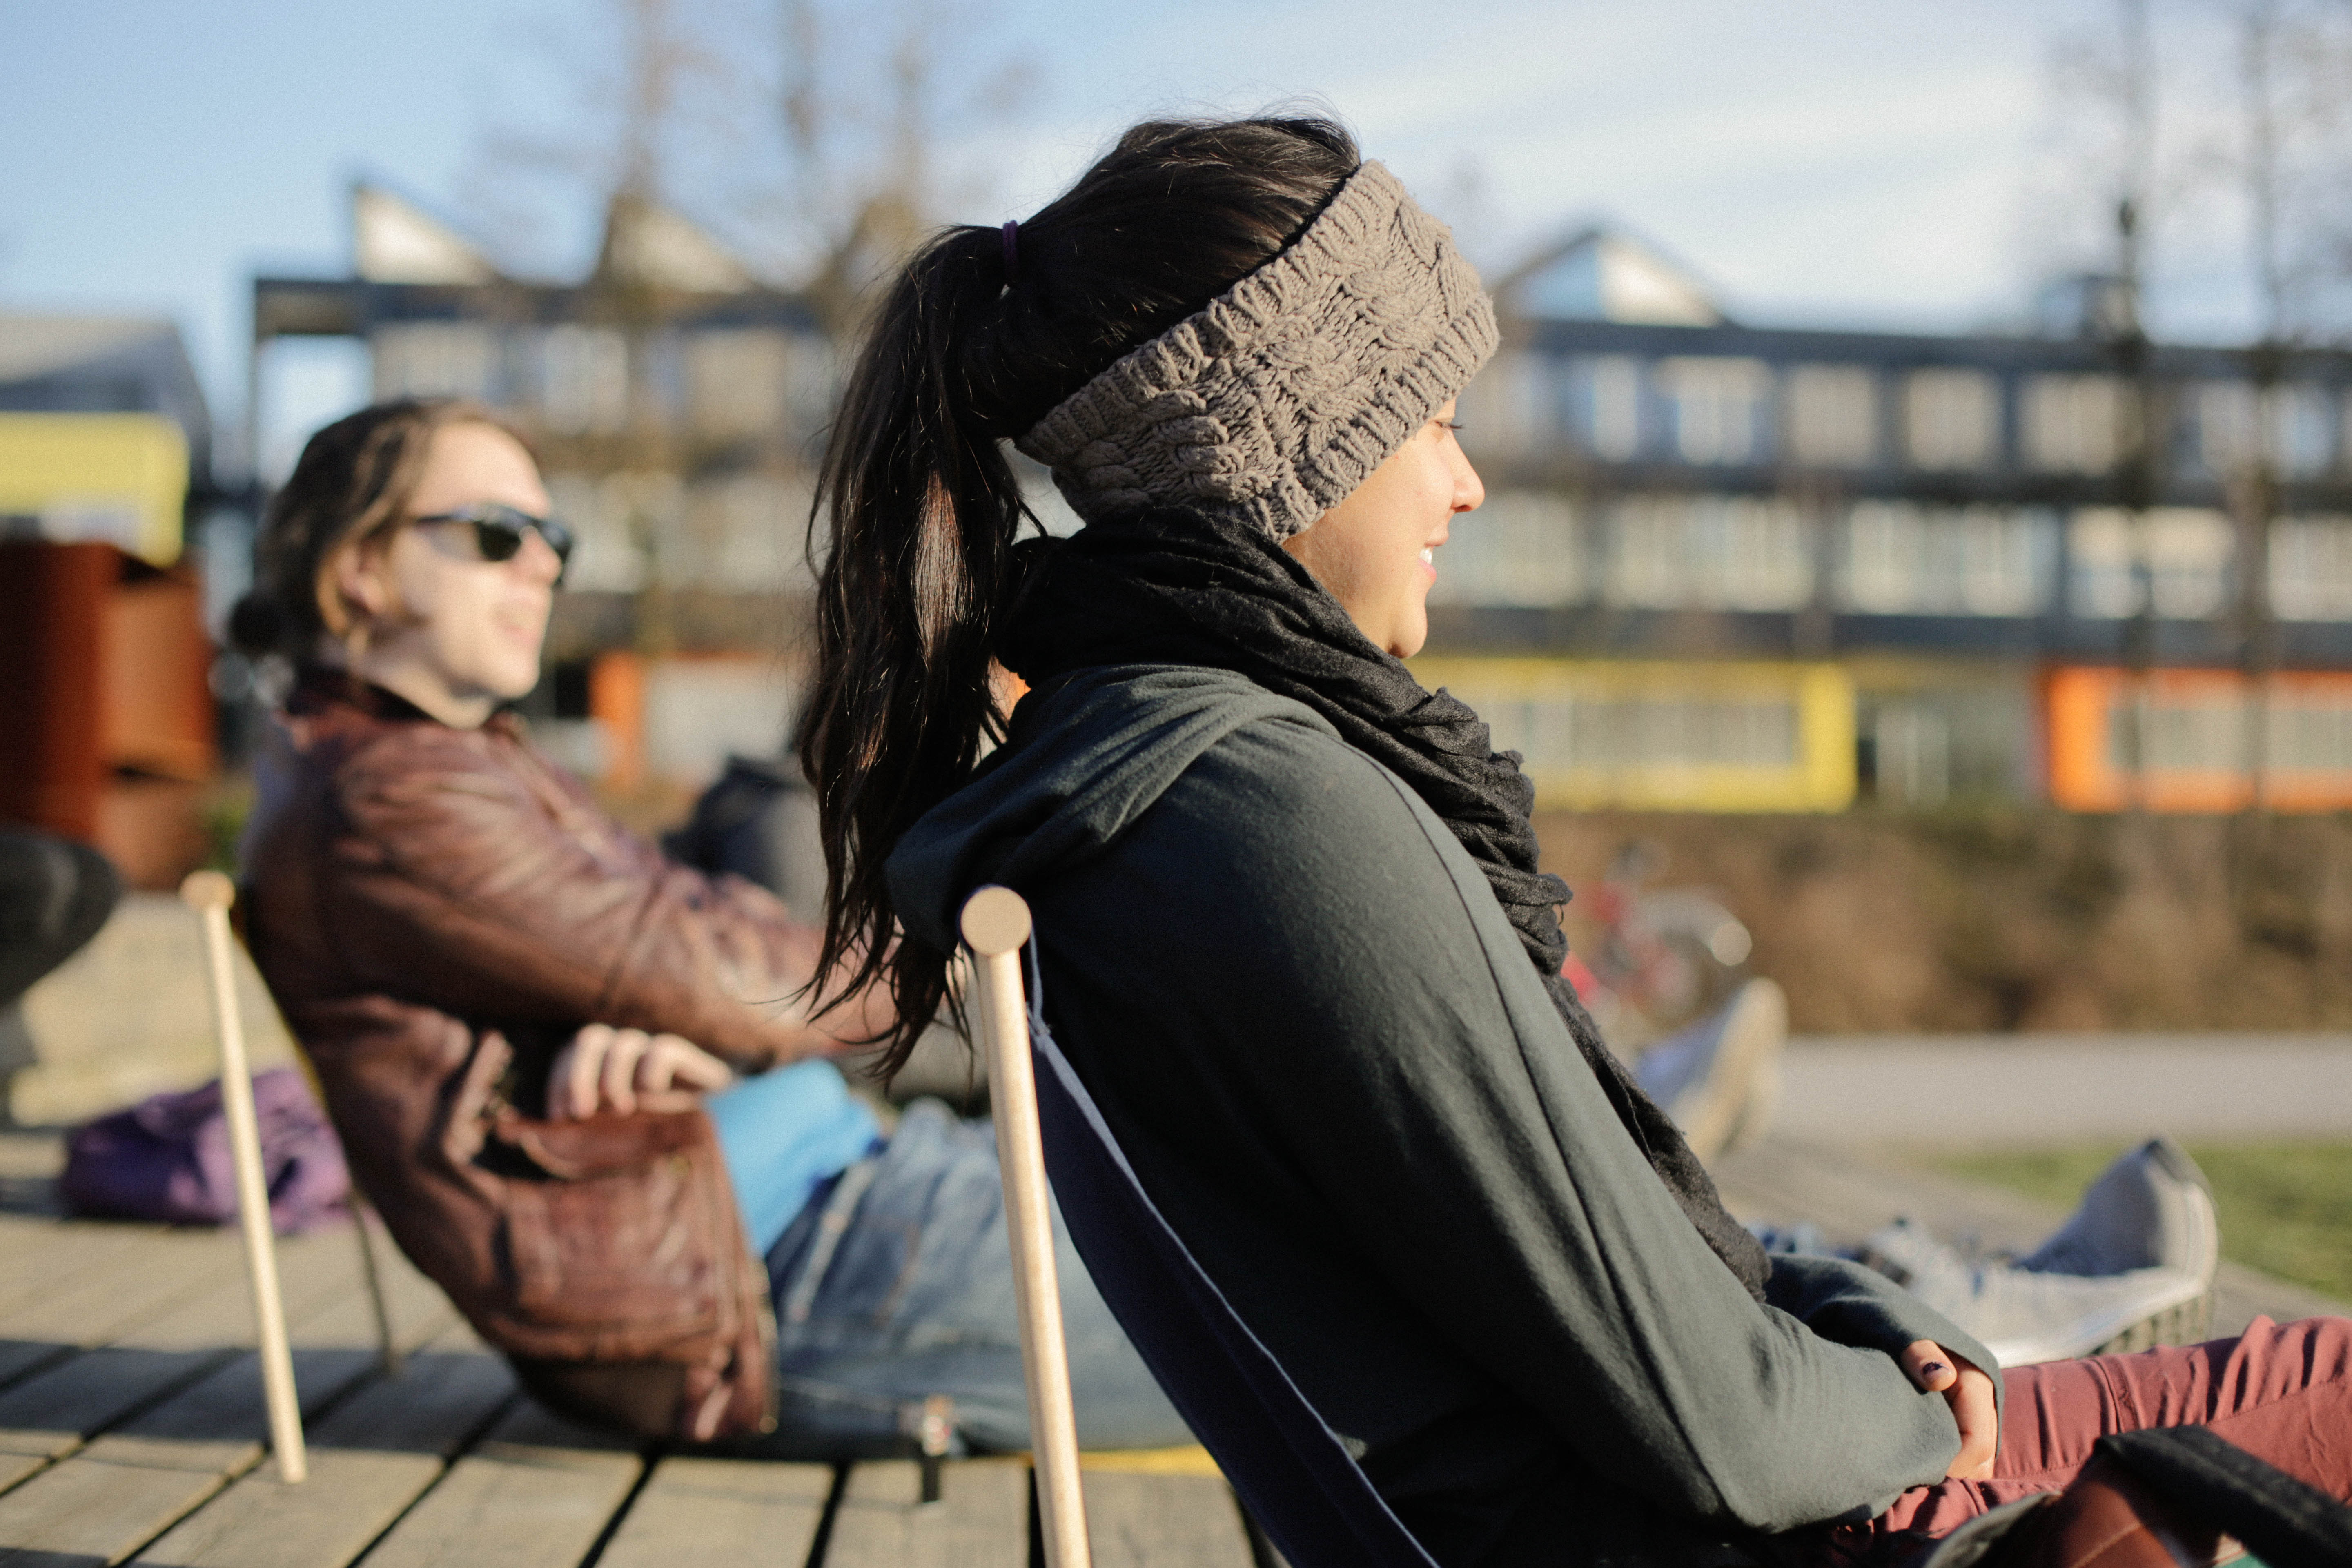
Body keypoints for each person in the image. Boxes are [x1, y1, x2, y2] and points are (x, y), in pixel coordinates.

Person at [794, 116, 2352, 1566]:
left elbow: (1613, 1282)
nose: (1467, 484)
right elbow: (1725, 1426)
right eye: (1435, 422)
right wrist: (1933, 1404)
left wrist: (1860, 1316)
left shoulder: (1135, 776)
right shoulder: (1256, 812)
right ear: (1293, 449)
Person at [231, 398, 1185, 1453]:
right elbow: (709, 964)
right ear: (361, 569)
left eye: (553, 538)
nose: (542, 566)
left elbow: (689, 931)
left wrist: (675, 1019)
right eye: (497, 533)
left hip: (806, 1193)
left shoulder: (450, 758)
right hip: (766, 1279)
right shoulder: (388, 799)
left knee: (1236, 1215)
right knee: (1276, 1294)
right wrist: (934, 956)